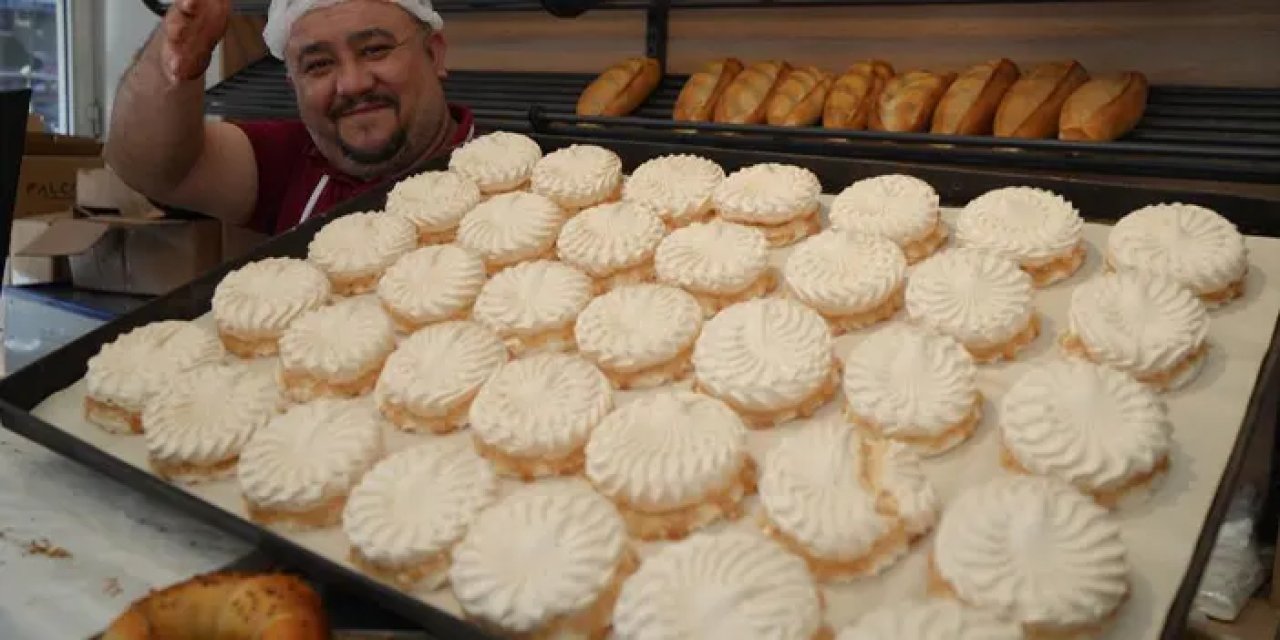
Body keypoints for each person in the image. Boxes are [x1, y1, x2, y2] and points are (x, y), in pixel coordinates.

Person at [105, 0, 474, 236]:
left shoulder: (511, 177)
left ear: (434, 54)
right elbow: (148, 168)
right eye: (319, 65)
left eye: (375, 50)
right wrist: (173, 66)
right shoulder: (290, 163)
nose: (352, 83)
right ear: (293, 84)